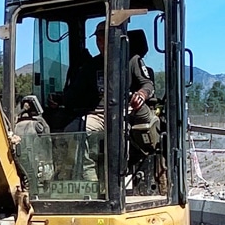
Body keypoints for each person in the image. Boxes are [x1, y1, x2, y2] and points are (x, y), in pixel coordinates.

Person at [61, 21, 155, 181]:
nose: (100, 44)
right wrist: (61, 99)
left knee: (118, 138)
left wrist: (141, 94)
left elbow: (147, 84)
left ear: (115, 39)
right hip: (97, 115)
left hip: (123, 113)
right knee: (80, 132)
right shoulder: (91, 65)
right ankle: (91, 181)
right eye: (98, 40)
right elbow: (76, 91)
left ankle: (116, 181)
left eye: (104, 39)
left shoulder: (132, 60)